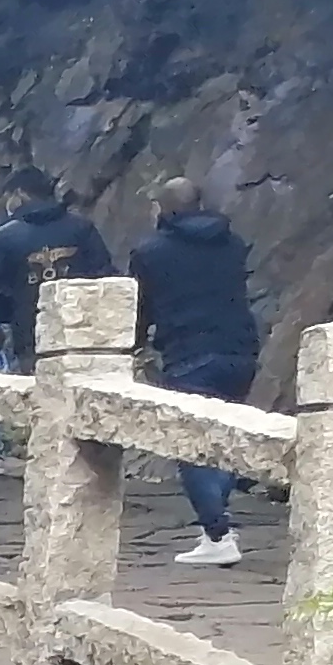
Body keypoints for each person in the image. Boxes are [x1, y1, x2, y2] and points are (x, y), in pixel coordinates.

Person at [129, 178, 264, 565]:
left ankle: (218, 534)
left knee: (190, 445)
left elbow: (141, 307)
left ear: (163, 208)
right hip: (240, 349)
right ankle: (220, 518)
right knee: (224, 435)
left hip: (188, 351)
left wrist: (135, 345)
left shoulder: (150, 252)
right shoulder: (233, 244)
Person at [0, 185, 116, 363]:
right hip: (81, 331)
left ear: (20, 193)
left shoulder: (3, 238)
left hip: (30, 335)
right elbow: (105, 275)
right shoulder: (82, 228)